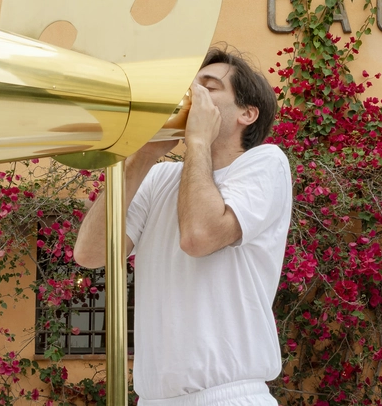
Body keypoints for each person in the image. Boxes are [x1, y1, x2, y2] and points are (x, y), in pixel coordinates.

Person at [73, 47, 291, 406]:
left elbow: (198, 236)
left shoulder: (266, 163)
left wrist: (199, 140)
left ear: (247, 113)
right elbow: (90, 253)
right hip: (154, 398)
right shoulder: (160, 176)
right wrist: (142, 157)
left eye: (209, 86)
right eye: (191, 85)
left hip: (227, 396)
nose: (193, 94)